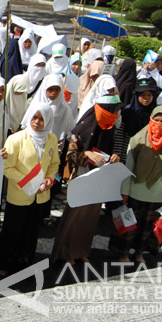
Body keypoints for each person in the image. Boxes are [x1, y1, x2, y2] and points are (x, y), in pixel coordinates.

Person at [52, 93, 122, 264]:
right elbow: (71, 154)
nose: (116, 115)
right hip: (82, 176)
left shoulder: (110, 128)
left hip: (99, 178)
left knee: (90, 218)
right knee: (75, 216)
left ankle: (81, 250)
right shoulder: (83, 128)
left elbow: (112, 150)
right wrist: (86, 153)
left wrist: (114, 157)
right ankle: (66, 251)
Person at [0, 103, 59, 275]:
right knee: (12, 230)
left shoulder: (51, 139)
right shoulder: (16, 139)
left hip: (40, 195)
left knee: (31, 231)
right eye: (34, 117)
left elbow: (54, 164)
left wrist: (49, 180)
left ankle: (24, 260)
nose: (37, 122)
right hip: (20, 194)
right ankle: (4, 262)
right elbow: (8, 167)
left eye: (42, 119)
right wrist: (28, 183)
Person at [109, 106, 162, 263]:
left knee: (147, 230)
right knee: (128, 227)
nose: (159, 124)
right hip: (134, 192)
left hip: (156, 195)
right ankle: (123, 253)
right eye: (156, 120)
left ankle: (139, 253)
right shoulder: (137, 140)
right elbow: (129, 168)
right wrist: (124, 192)